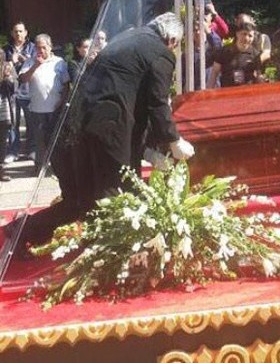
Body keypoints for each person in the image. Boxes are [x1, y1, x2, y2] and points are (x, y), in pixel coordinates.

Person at [6, 13, 195, 253]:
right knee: (115, 193)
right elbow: (155, 103)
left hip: (75, 128)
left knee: (81, 200)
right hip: (106, 133)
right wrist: (172, 140)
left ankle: (23, 231)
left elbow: (125, 98)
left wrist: (147, 148)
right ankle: (107, 251)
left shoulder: (127, 39)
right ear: (172, 40)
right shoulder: (160, 52)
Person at [18, 34, 70, 174]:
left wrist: (62, 101)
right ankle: (40, 167)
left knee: (55, 140)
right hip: (37, 109)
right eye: (37, 47)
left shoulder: (59, 62)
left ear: (50, 47)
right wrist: (36, 65)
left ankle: (57, 167)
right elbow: (23, 79)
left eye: (43, 47)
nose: (40, 50)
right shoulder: (30, 62)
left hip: (55, 108)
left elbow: (66, 84)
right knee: (39, 140)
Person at [3, 21, 35, 161]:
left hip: (28, 90)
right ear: (12, 33)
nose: (18, 34)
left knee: (31, 121)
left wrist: (26, 59)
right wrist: (12, 60)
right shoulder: (7, 49)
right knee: (13, 123)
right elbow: (3, 67)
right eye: (16, 31)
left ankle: (32, 150)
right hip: (12, 91)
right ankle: (13, 151)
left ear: (26, 32)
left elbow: (37, 63)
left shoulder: (32, 47)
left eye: (21, 31)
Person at [207, 22, 262, 88]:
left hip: (247, 93)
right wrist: (209, 91)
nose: (246, 38)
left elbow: (258, 76)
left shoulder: (256, 55)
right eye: (244, 34)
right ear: (237, 34)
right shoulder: (224, 51)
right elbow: (215, 72)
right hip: (227, 92)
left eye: (250, 36)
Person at [0, 53, 16, 181]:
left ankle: (1, 171)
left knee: (2, 143)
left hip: (3, 111)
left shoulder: (7, 67)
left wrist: (7, 77)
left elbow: (13, 88)